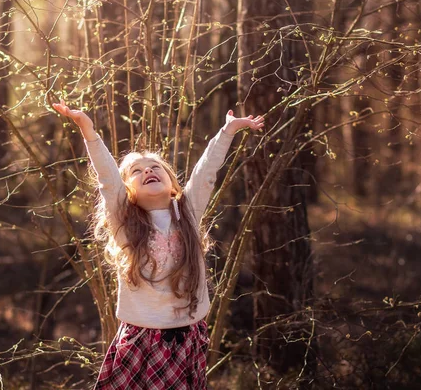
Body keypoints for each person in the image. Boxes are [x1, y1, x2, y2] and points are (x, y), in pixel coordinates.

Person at [52, 99, 265, 389]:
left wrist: (226, 132)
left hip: (186, 337)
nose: (148, 171)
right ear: (129, 192)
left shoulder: (186, 213)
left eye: (155, 167)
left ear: (172, 183)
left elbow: (204, 175)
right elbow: (108, 180)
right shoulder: (125, 222)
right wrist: (88, 130)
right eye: (136, 172)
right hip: (140, 337)